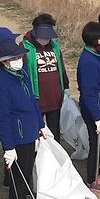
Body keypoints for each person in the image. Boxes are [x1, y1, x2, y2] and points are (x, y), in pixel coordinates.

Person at [0, 36, 47, 199]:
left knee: (27, 171)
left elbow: (33, 102)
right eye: (13, 59)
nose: (18, 61)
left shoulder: (23, 75)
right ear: (4, 62)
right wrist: (8, 147)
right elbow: (2, 118)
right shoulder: (1, 85)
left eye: (19, 57)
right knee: (17, 176)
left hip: (31, 132)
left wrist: (41, 125)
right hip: (17, 136)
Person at [77, 21, 100, 191]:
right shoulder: (88, 62)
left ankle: (98, 171)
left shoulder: (98, 56)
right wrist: (97, 117)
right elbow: (89, 93)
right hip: (94, 110)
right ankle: (92, 179)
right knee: (96, 143)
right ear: (92, 41)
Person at [21, 13, 69, 142]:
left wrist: (66, 86)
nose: (46, 39)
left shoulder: (55, 47)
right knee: (37, 132)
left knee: (54, 131)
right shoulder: (25, 48)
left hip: (54, 98)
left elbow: (61, 68)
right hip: (37, 99)